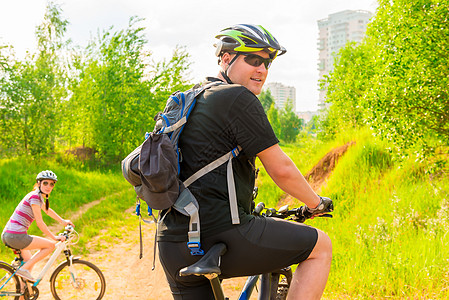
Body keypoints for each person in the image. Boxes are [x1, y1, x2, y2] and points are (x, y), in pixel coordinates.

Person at [157, 24, 333, 300]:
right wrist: (315, 203)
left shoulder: (191, 100)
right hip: (221, 234)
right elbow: (281, 168)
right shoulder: (237, 97)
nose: (262, 69)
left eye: (267, 62)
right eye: (254, 59)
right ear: (226, 58)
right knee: (320, 246)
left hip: (172, 242)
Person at [1, 170, 74, 282]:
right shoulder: (35, 197)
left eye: (51, 184)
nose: (48, 186)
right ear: (39, 183)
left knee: (28, 262)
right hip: (16, 236)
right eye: (45, 183)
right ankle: (23, 270)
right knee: (50, 246)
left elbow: (47, 210)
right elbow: (40, 223)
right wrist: (54, 238)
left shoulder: (36, 196)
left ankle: (22, 294)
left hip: (9, 235)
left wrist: (63, 221)